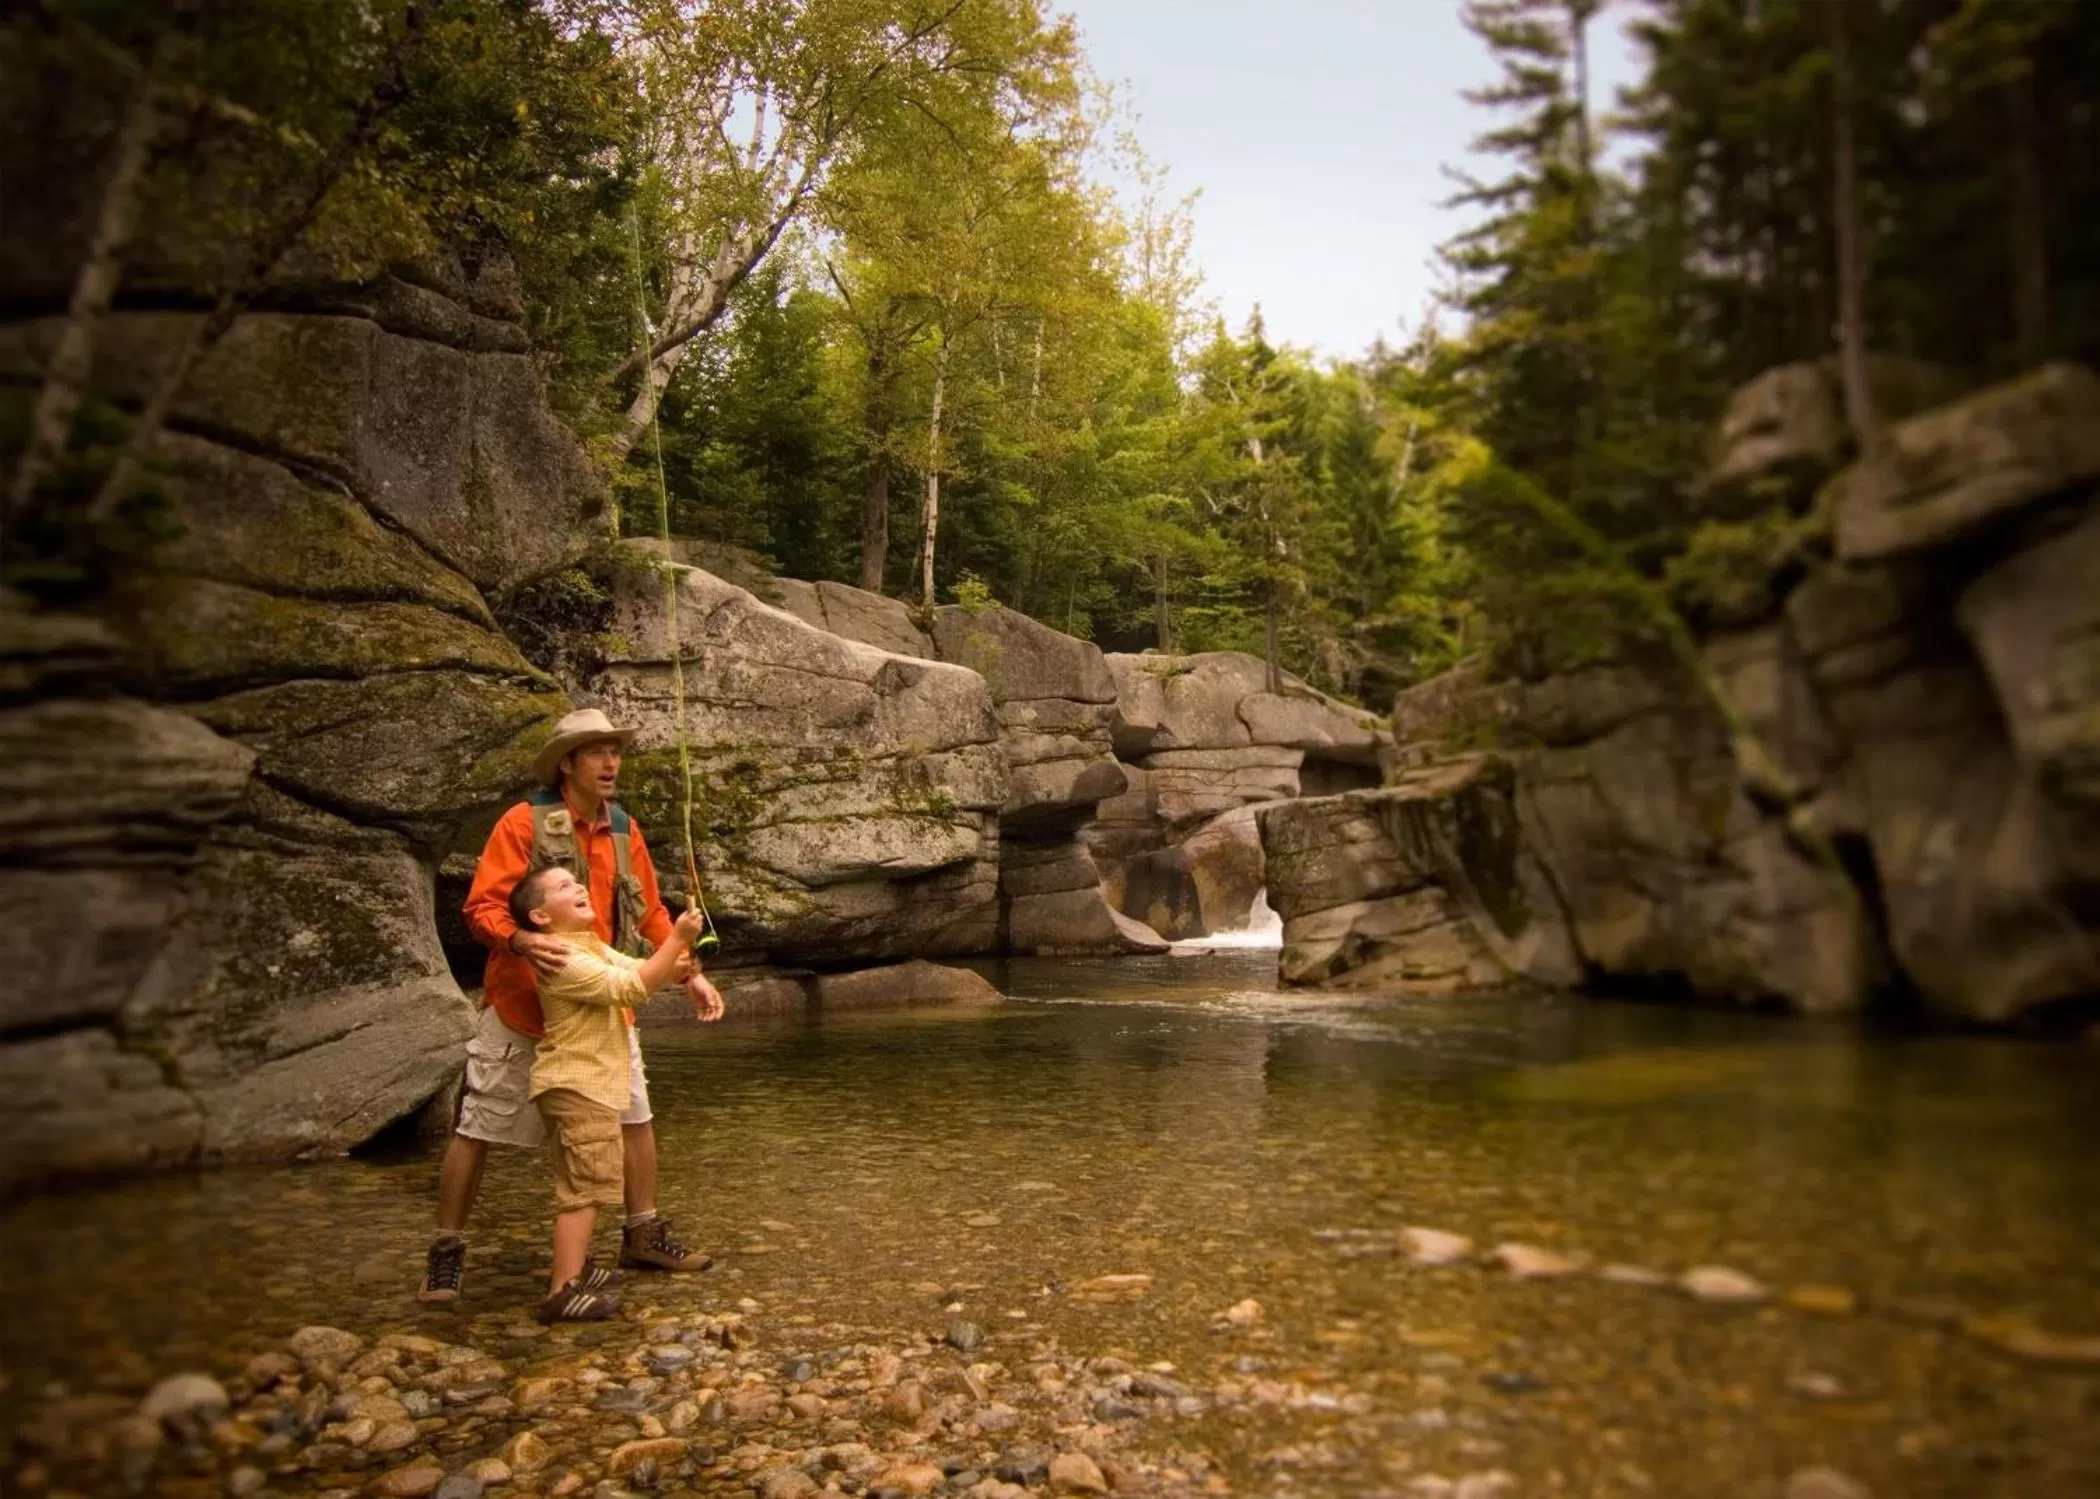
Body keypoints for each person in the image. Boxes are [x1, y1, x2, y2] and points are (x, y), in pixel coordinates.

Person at [419, 707, 726, 1305]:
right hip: (520, 1008)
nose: (611, 762)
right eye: (596, 752)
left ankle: (643, 1236)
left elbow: (649, 913)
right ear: (567, 763)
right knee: (477, 1127)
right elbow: (481, 908)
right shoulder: (521, 824)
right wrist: (523, 939)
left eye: (616, 750)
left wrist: (690, 974)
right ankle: (446, 1251)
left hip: (607, 1013)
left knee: (636, 1119)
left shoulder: (623, 830)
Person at [509, 863, 704, 1321]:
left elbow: (639, 969)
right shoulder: (561, 957)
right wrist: (675, 939)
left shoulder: (588, 944)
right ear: (539, 917)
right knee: (585, 1189)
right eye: (563, 886)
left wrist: (678, 963)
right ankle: (563, 1289)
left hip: (584, 1086)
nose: (578, 886)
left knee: (591, 1182)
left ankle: (581, 1269)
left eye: (577, 881)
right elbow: (630, 988)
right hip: (578, 1085)